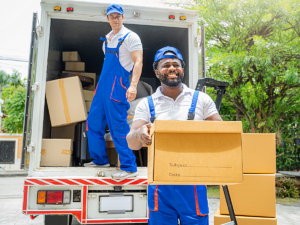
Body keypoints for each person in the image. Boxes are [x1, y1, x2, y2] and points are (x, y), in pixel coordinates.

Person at [126, 46, 222, 224]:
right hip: (160, 186)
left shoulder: (201, 99)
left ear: (182, 70)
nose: (171, 68)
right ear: (157, 72)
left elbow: (221, 134)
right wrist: (139, 134)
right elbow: (132, 143)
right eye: (165, 65)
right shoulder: (146, 104)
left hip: (193, 182)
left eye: (176, 64)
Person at [85, 4, 143, 179]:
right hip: (103, 86)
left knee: (118, 126)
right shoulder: (108, 38)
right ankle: (99, 159)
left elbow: (138, 62)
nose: (115, 19)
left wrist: (133, 86)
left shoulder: (130, 37)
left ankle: (128, 167)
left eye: (118, 16)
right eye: (112, 16)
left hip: (117, 87)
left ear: (123, 18)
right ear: (107, 19)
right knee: (93, 122)